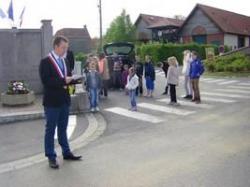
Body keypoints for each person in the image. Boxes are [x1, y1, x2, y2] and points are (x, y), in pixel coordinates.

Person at [39, 36, 82, 169]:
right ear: (56, 46)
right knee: (50, 130)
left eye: (66, 48)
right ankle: (51, 156)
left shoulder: (65, 60)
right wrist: (65, 80)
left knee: (63, 129)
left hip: (64, 100)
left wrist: (76, 80)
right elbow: (47, 81)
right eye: (63, 47)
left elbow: (67, 77)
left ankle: (66, 152)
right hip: (52, 102)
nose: (65, 50)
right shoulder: (45, 62)